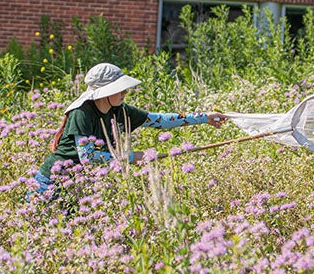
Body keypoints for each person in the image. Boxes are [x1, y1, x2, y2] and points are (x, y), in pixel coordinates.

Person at [31, 62, 227, 205]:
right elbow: (88, 156)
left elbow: (159, 120)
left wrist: (204, 118)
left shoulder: (119, 110)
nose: (124, 93)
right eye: (119, 89)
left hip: (77, 186)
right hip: (52, 184)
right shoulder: (81, 113)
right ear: (104, 92)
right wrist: (132, 157)